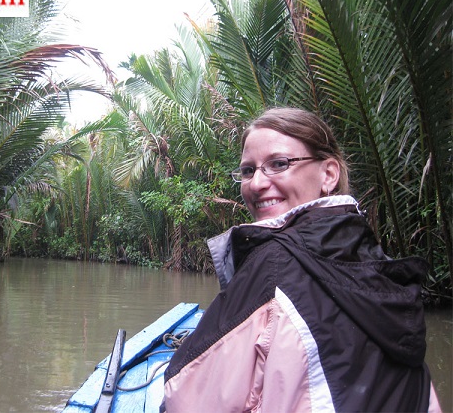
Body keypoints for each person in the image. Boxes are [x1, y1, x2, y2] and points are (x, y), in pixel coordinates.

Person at [161, 107, 441, 412]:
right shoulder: (378, 261)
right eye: (247, 170)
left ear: (329, 174)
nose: (256, 184)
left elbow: (183, 397)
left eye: (278, 164)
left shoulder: (274, 267)